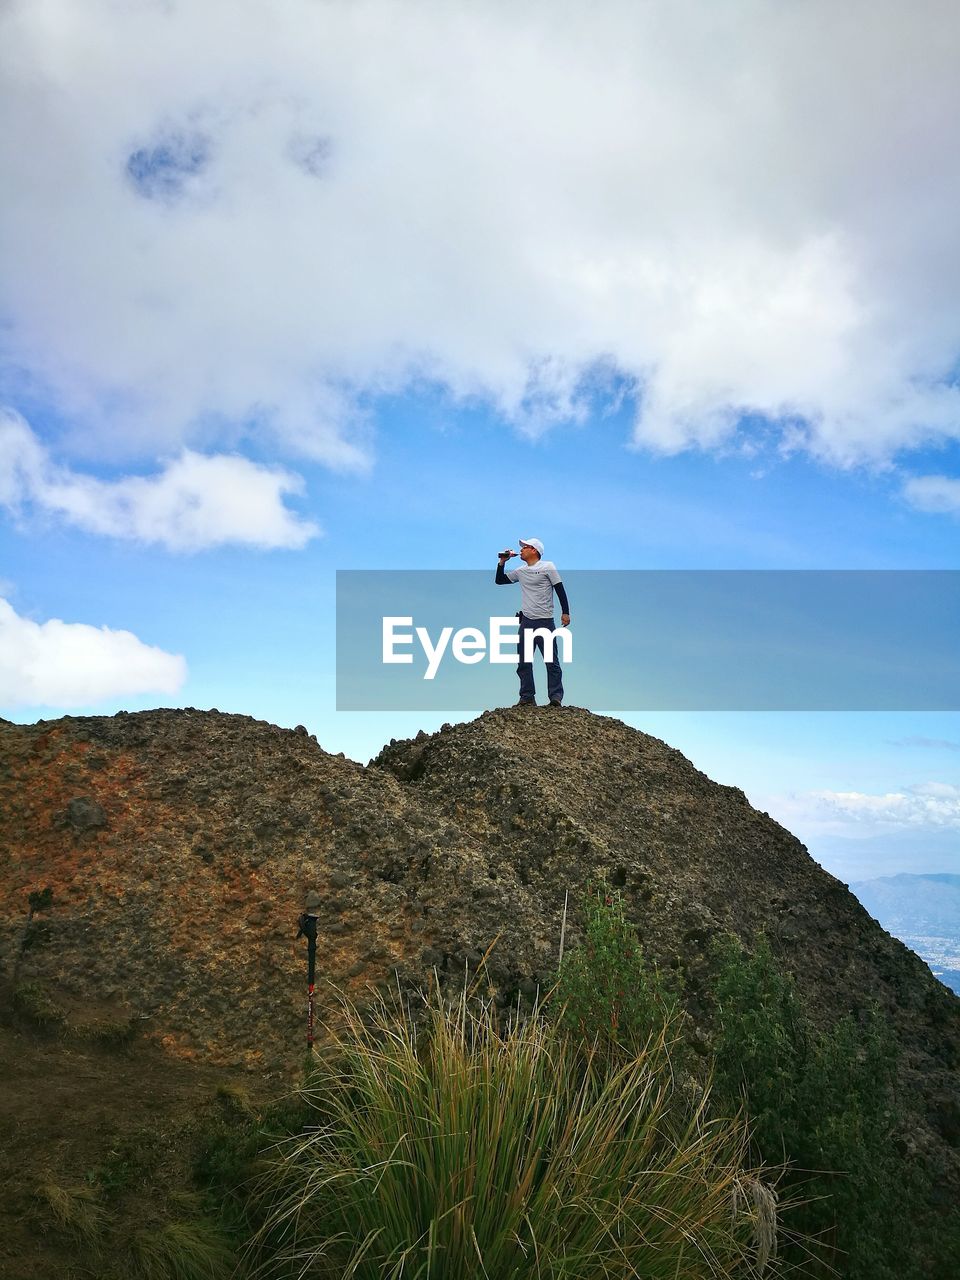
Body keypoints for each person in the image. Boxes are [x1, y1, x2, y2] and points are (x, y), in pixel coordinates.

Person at [495, 537, 570, 707]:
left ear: (534, 550)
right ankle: (527, 696)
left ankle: (555, 697)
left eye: (525, 547)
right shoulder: (521, 571)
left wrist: (565, 612)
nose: (521, 550)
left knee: (552, 662)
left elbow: (560, 589)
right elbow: (499, 580)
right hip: (527, 622)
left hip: (545, 622)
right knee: (524, 662)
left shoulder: (548, 567)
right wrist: (502, 562)